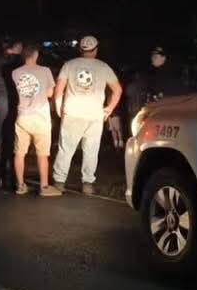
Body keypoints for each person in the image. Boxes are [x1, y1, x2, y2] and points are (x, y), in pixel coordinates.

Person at [52, 35, 122, 195]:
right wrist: (109, 109)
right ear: (96, 50)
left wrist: (58, 107)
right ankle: (87, 184)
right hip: (94, 115)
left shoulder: (69, 65)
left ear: (80, 49)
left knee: (66, 148)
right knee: (91, 150)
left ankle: (59, 182)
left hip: (72, 113)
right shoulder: (103, 67)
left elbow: (59, 89)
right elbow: (117, 89)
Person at [11, 43, 62, 197]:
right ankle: (44, 187)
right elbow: (49, 93)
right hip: (40, 118)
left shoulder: (15, 72)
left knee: (19, 153)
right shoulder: (45, 71)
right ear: (36, 55)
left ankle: (20, 185)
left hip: (23, 116)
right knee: (42, 154)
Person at [0, 38, 23, 189]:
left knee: (3, 137)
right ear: (15, 47)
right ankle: (14, 175)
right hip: (13, 102)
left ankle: (2, 173)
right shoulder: (17, 63)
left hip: (0, 101)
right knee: (15, 138)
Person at [128, 46, 185, 120]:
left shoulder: (169, 76)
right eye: (152, 55)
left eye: (155, 55)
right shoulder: (154, 74)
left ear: (164, 58)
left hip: (167, 114)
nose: (152, 58)